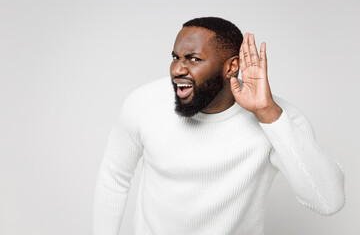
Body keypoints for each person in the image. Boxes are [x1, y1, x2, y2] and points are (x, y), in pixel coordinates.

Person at [93, 17, 345, 235]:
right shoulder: (144, 103)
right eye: (175, 57)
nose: (178, 69)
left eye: (193, 59)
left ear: (231, 66)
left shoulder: (277, 118)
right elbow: (114, 178)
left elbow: (329, 201)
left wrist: (268, 113)